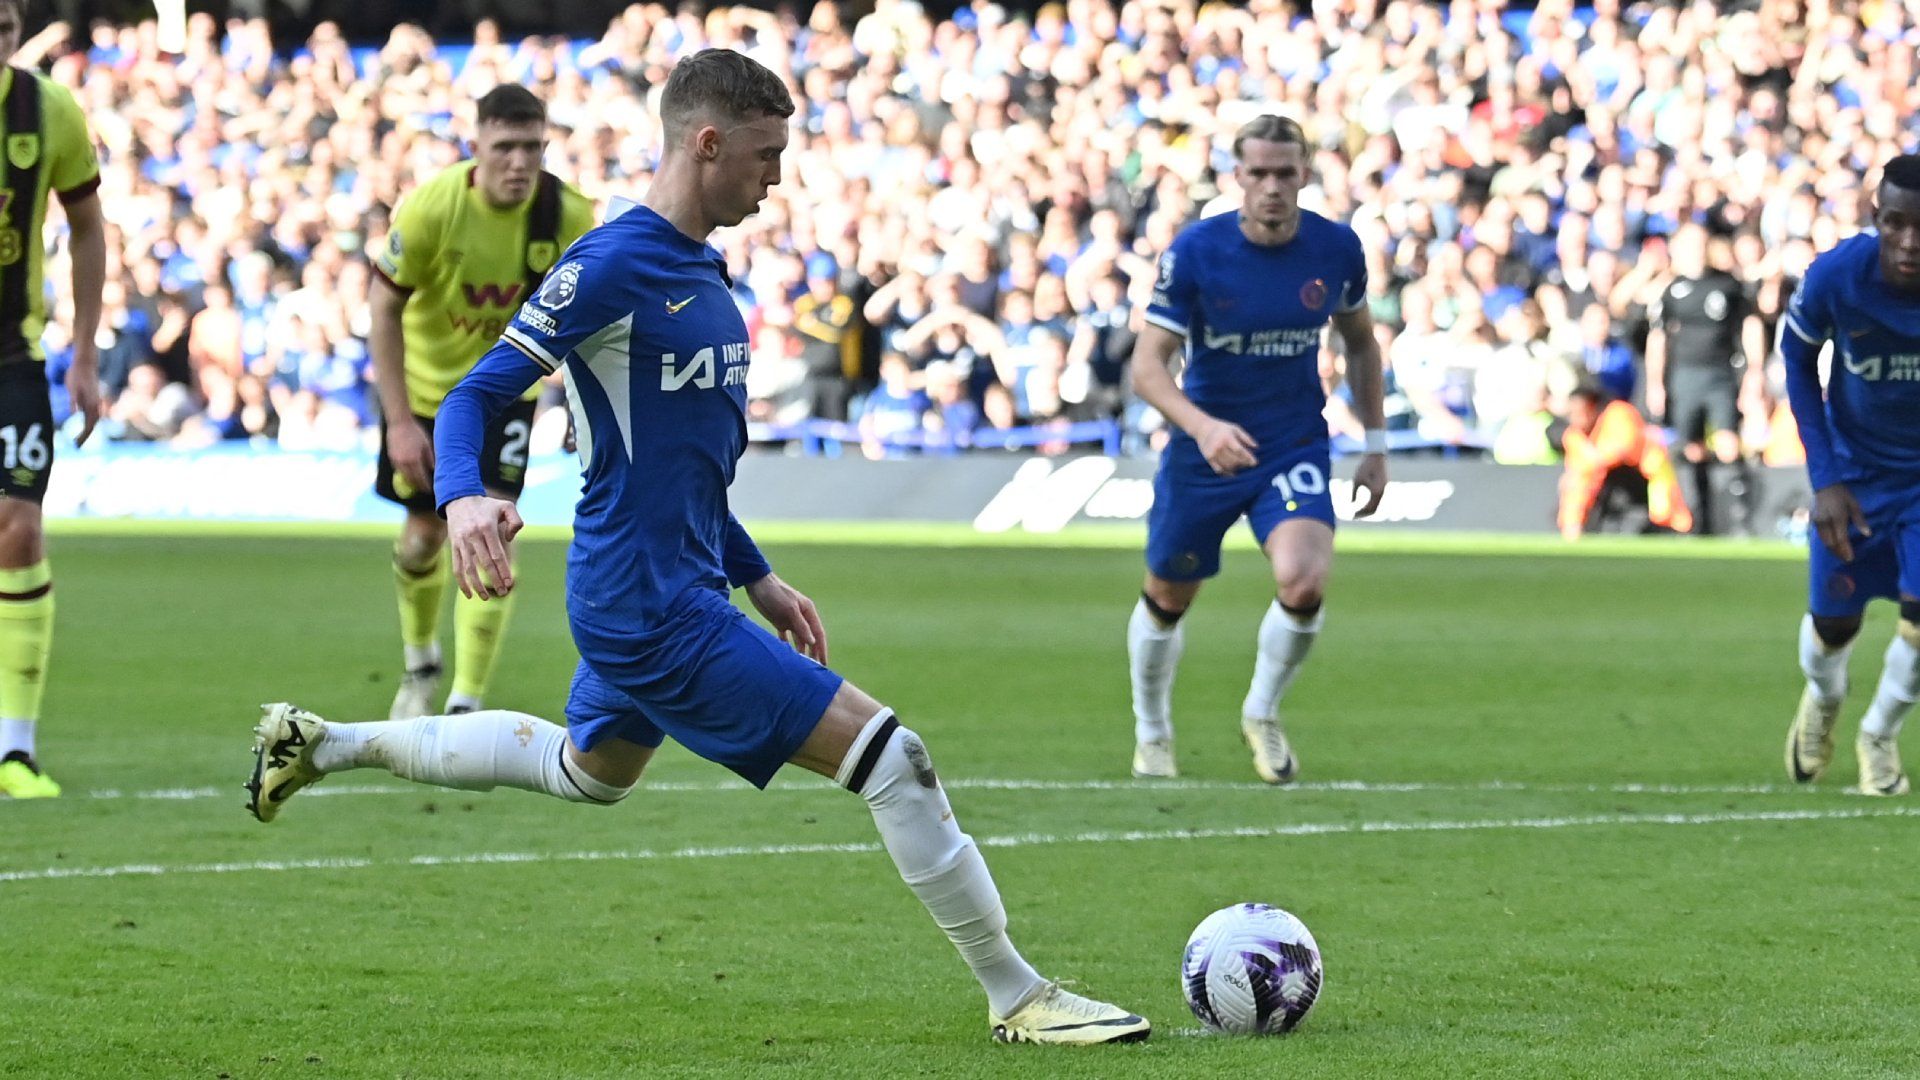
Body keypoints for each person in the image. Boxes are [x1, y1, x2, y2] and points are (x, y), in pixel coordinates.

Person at [246, 48, 1148, 1046]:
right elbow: (475, 393)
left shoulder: (700, 267)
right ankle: (1018, 994)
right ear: (706, 142)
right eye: (765, 155)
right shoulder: (611, 262)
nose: (776, 177)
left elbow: (687, 465)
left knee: (587, 772)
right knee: (898, 761)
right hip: (649, 604)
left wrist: (755, 572)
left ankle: (325, 743)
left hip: (668, 582)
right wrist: (462, 496)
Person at [1125, 114, 1387, 784]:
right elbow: (1149, 368)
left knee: (1304, 578)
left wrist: (1375, 442)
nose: (1272, 186)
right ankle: (1152, 732)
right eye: (1258, 174)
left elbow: (1360, 342)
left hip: (1291, 441)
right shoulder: (1197, 252)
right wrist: (1202, 426)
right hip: (1202, 447)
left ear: (1305, 173)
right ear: (1237, 176)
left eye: (1285, 173)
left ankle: (1262, 713)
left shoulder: (1335, 249)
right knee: (1167, 594)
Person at [369, 83, 595, 720]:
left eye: (533, 147)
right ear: (476, 148)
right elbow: (382, 308)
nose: (520, 163)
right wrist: (397, 423)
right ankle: (420, 665)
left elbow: (594, 317)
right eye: (505, 148)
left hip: (503, 398)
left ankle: (467, 705)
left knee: (495, 534)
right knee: (421, 540)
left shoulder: (568, 215)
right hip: (423, 396)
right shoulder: (431, 209)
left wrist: (582, 403)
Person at [1778, 154, 1920, 798]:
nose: (1910, 243)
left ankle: (1879, 735)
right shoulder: (1837, 276)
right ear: (1877, 218)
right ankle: (1823, 701)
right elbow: (1798, 361)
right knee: (1835, 625)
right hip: (1855, 479)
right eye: (1897, 224)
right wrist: (1825, 476)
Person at [0, 0, 105, 800]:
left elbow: (87, 225)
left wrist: (84, 355)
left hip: (14, 352)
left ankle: (15, 751)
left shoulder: (49, 110)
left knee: (20, 528)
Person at [1644, 222, 1767, 534]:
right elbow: (1658, 339)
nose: (1695, 251)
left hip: (1720, 375)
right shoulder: (1671, 290)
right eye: (1688, 245)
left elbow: (1750, 326)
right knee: (1690, 447)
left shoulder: (1728, 285)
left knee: (1728, 444)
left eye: (1700, 244)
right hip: (1684, 376)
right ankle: (1697, 521)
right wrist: (1655, 383)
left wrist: (1754, 370)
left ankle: (1741, 521)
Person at [1556, 384, 1693, 539]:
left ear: (1593, 407)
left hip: (1642, 478)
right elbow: (1579, 479)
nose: (1575, 419)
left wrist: (1594, 458)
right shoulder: (1574, 436)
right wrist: (1571, 522)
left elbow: (1624, 449)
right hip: (1609, 492)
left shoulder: (1619, 413)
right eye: (1571, 414)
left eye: (1580, 412)